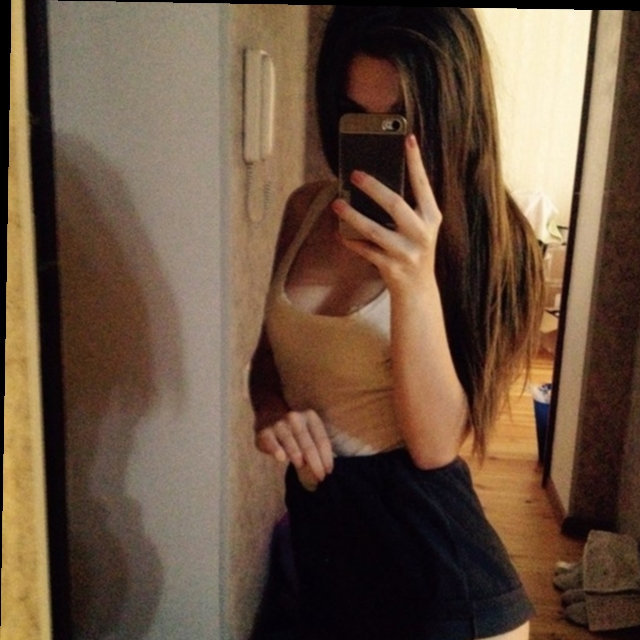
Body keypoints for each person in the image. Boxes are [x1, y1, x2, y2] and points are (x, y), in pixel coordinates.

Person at [250, 7, 544, 640]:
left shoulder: (495, 242)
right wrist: (272, 411)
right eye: (355, 114)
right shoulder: (307, 209)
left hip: (439, 586)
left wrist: (413, 284)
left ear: (454, 114)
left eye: (403, 119)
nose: (378, 139)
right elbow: (269, 360)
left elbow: (435, 446)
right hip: (328, 557)